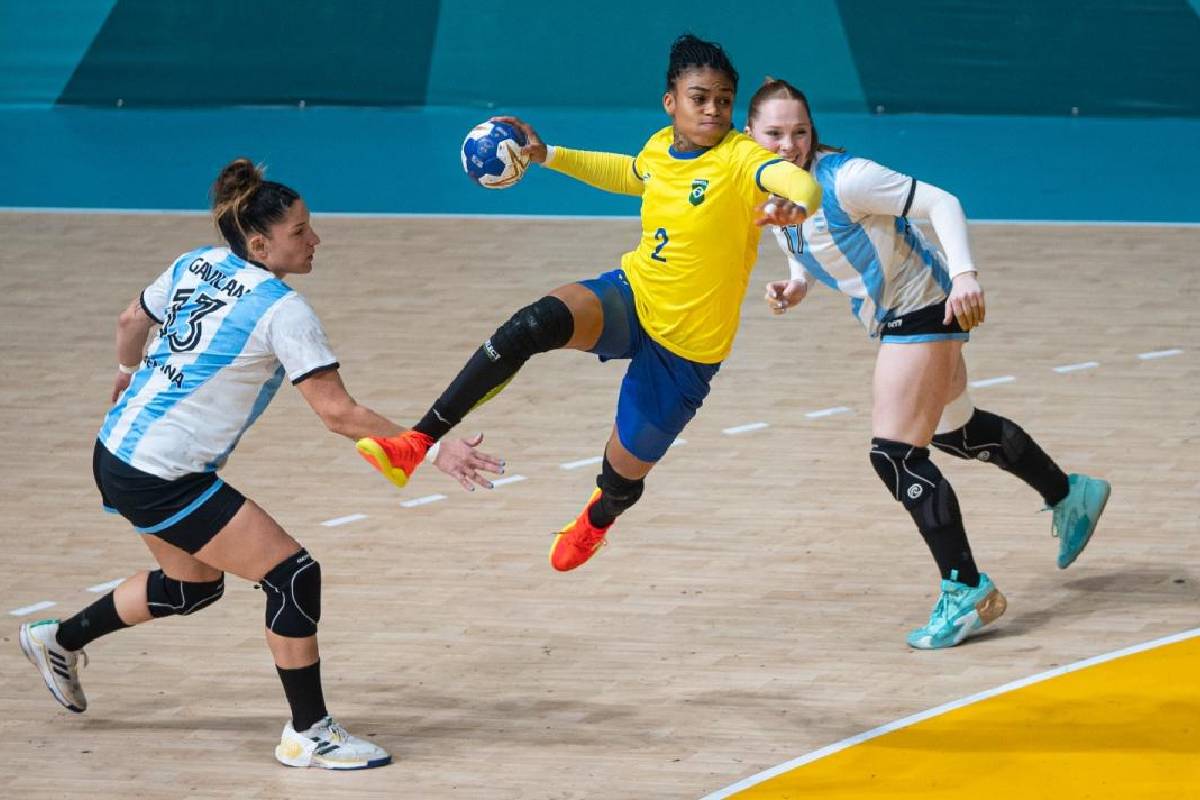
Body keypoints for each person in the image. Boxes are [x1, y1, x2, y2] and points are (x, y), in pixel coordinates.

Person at [18, 158, 503, 769]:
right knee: (292, 574)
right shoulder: (282, 310)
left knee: (189, 588)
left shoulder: (196, 262)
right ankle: (312, 732)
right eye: (300, 231)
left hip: (116, 451)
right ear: (259, 242)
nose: (315, 239)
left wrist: (124, 372)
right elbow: (338, 413)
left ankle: (56, 640)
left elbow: (130, 320)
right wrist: (434, 447)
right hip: (162, 473)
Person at [354, 35, 822, 572]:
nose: (713, 109)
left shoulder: (742, 160)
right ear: (671, 102)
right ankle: (416, 441)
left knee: (621, 479)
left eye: (722, 99)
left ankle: (596, 521)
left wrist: (795, 201)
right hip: (634, 293)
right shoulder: (660, 147)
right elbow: (630, 173)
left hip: (687, 349)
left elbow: (795, 182)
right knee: (530, 326)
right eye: (699, 97)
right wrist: (545, 154)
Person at [744, 78, 1112, 649]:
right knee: (957, 433)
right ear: (751, 135)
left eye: (799, 131)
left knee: (894, 454)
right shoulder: (767, 190)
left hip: (926, 307)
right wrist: (795, 286)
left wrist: (965, 274)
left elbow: (944, 202)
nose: (788, 144)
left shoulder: (851, 178)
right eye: (775, 133)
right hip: (898, 313)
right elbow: (807, 246)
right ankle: (1070, 493)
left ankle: (966, 587)